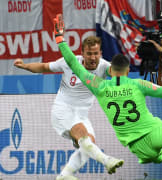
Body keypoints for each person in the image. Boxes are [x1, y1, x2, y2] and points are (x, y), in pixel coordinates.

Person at [54, 14, 162, 177]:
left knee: (154, 157)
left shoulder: (99, 86)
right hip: (156, 132)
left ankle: (157, 155)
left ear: (111, 71)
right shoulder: (139, 84)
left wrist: (60, 39)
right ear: (128, 70)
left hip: (137, 147)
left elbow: (72, 63)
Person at [13, 35, 124, 180]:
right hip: (62, 110)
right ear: (82, 54)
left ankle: (65, 175)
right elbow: (44, 66)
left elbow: (115, 73)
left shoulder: (104, 66)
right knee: (83, 135)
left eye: (96, 53)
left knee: (88, 144)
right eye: (89, 53)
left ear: (100, 54)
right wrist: (24, 66)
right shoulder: (69, 62)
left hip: (82, 115)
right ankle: (106, 160)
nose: (92, 57)